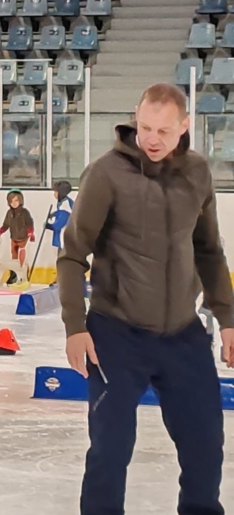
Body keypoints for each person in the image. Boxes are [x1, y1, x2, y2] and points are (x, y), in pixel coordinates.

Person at [57, 83, 234, 515]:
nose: (152, 139)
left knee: (206, 444)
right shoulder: (106, 173)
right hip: (116, 333)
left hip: (182, 333)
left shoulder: (197, 172)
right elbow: (73, 253)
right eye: (145, 127)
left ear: (185, 126)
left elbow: (209, 250)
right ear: (135, 118)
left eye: (164, 131)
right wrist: (75, 327)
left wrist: (227, 319)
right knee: (110, 450)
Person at [0, 189, 34, 270]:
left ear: (20, 200)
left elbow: (29, 224)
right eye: (11, 201)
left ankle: (23, 273)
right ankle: (14, 274)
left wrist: (30, 233)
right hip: (14, 238)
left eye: (16, 200)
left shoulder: (25, 212)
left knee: (22, 257)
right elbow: (5, 225)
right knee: (14, 259)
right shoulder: (9, 213)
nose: (14, 203)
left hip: (23, 239)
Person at [45, 180, 73, 252]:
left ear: (61, 193)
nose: (54, 194)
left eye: (55, 192)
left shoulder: (65, 205)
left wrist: (49, 226)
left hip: (64, 238)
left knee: (62, 256)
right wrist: (53, 214)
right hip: (66, 237)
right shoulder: (65, 201)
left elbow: (60, 223)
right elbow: (60, 212)